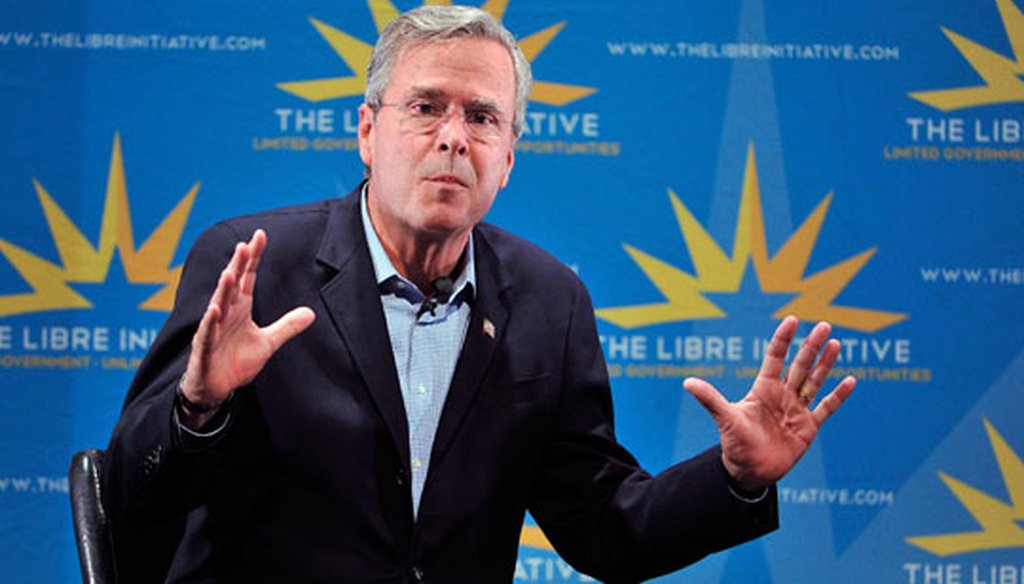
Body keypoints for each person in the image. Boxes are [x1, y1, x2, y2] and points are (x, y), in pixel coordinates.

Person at [103, 5, 855, 582]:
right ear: (368, 131)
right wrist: (198, 409)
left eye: (483, 117)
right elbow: (133, 498)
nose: (454, 138)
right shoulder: (256, 267)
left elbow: (601, 526)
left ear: (509, 157)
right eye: (426, 107)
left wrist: (735, 479)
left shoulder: (548, 300)